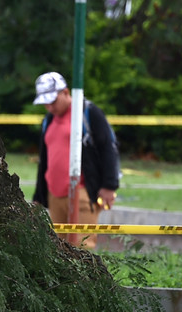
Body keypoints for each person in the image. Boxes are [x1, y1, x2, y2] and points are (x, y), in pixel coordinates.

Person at [31, 71, 121, 249]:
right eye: (45, 104)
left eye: (53, 101)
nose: (49, 107)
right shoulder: (48, 120)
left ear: (65, 92)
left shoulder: (89, 113)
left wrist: (109, 186)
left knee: (82, 246)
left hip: (82, 193)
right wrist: (39, 195)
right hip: (54, 195)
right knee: (57, 248)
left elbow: (108, 148)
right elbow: (45, 160)